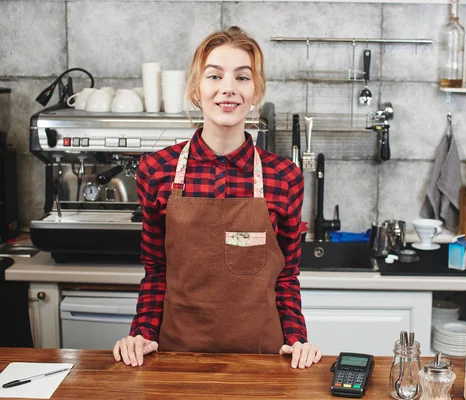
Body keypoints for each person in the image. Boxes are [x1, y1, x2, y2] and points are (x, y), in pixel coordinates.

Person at [113, 26, 322, 369]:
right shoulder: (157, 170)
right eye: (214, 76)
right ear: (197, 89)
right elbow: (156, 271)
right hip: (176, 358)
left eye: (242, 77)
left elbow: (285, 276)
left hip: (262, 360)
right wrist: (141, 333)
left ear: (256, 91)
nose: (228, 89)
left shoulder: (284, 177)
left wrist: (297, 340)